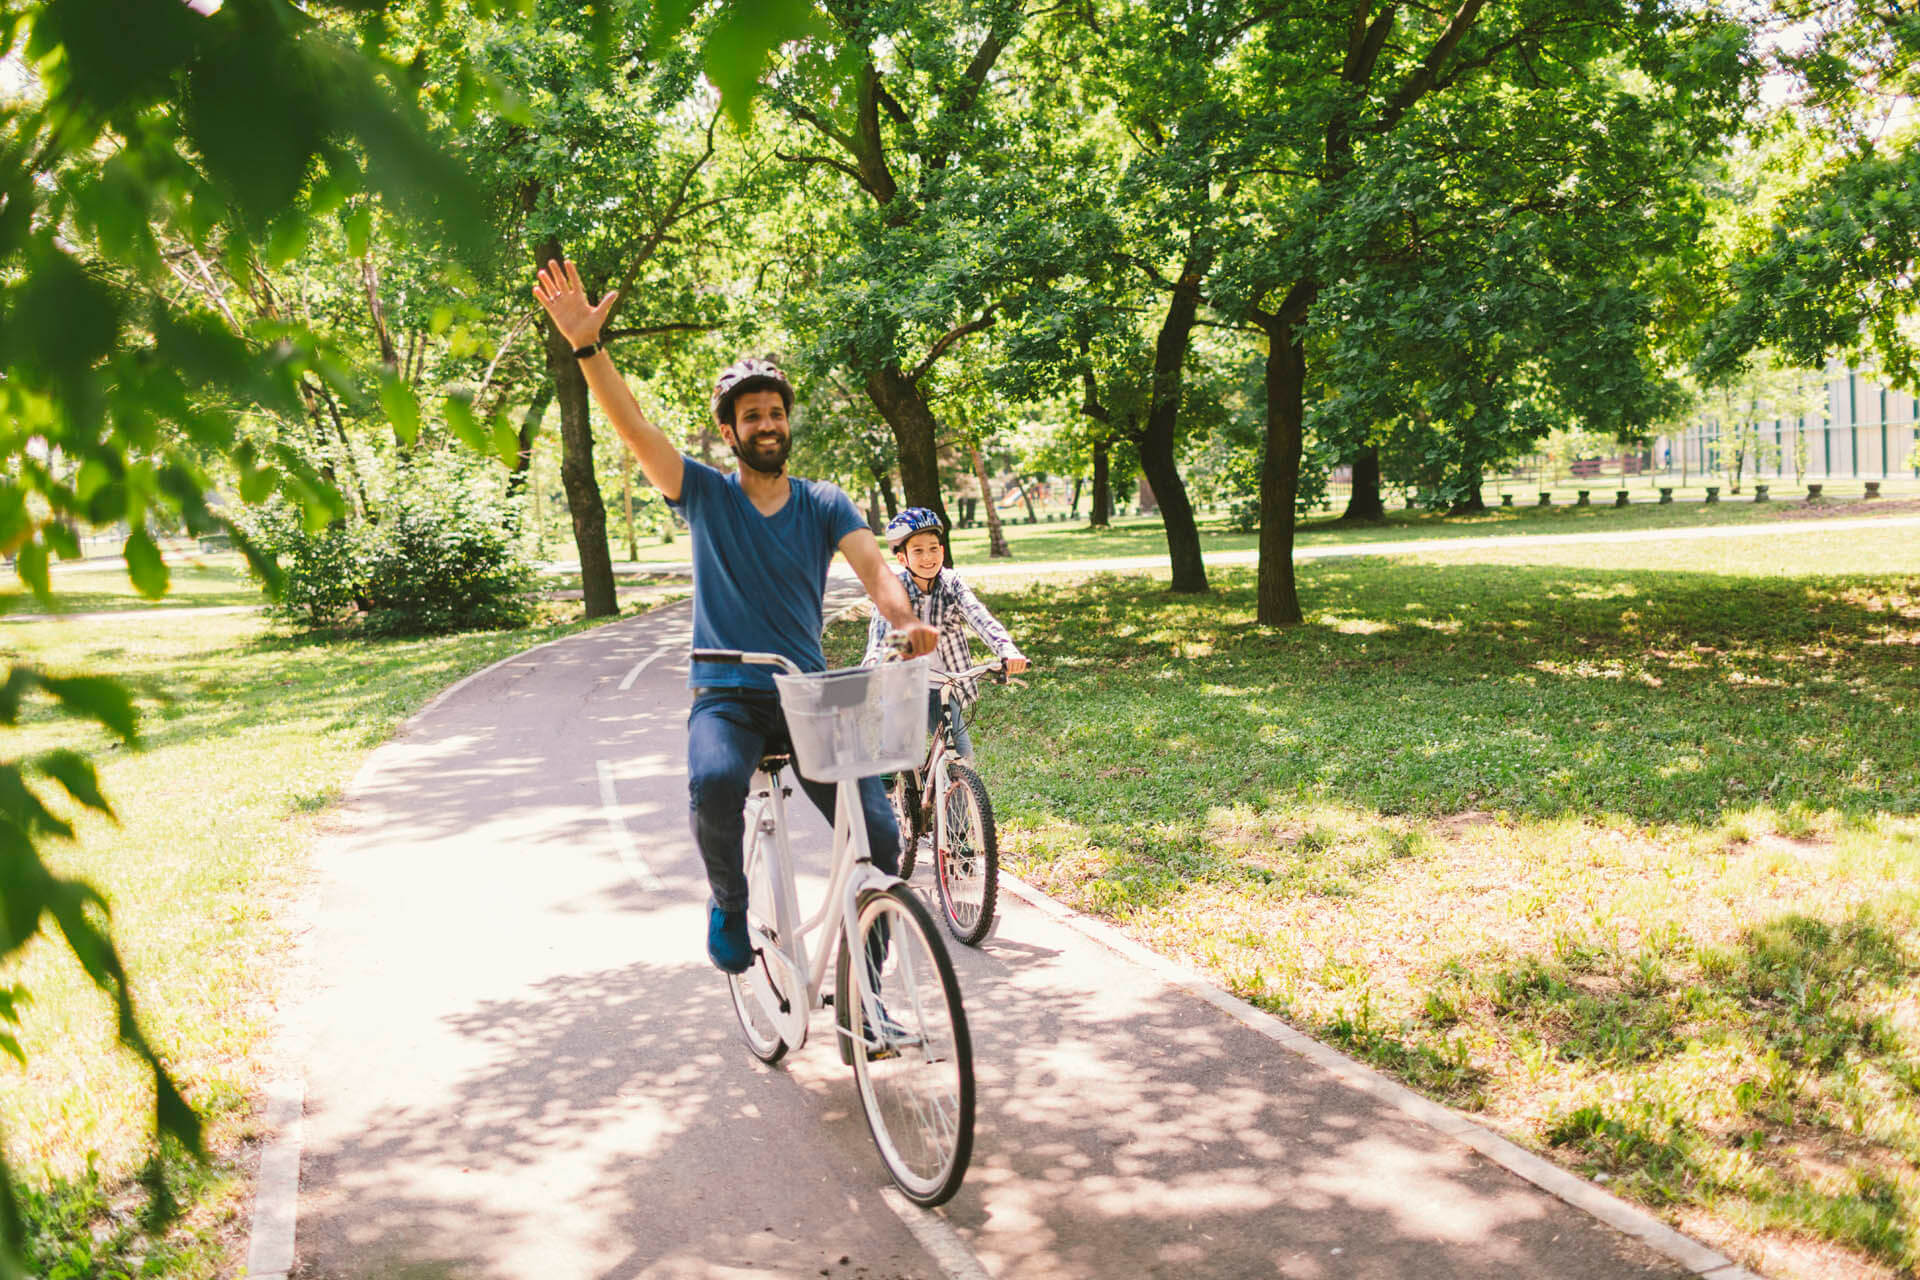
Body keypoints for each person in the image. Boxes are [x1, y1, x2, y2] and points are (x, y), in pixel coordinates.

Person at [530, 259, 936, 974]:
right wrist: (587, 346)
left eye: (776, 412)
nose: (768, 424)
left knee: (879, 829)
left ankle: (867, 987)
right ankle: (728, 900)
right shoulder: (704, 494)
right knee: (714, 783)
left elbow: (876, 572)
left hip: (807, 697)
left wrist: (904, 623)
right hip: (725, 695)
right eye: (752, 416)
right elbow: (633, 428)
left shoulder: (824, 502)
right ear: (729, 431)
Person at [862, 507, 1027, 763]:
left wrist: (1007, 650)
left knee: (961, 756)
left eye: (934, 548)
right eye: (918, 550)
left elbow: (979, 617)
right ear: (903, 558)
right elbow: (882, 635)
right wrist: (876, 664)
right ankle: (890, 796)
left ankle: (953, 795)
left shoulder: (952, 583)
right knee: (893, 758)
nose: (928, 557)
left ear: (942, 549)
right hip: (899, 683)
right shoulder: (892, 588)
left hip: (941, 685)